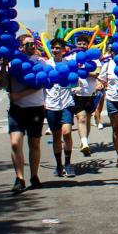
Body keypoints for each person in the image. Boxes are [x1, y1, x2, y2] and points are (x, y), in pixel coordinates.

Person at [0, 34, 46, 193]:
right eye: (28, 44)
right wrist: (4, 65)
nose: (32, 46)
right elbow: (3, 83)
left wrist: (20, 95)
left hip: (35, 108)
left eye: (33, 44)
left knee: (34, 144)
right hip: (17, 109)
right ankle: (19, 178)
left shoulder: (40, 62)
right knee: (15, 143)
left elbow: (40, 84)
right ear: (20, 47)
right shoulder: (13, 62)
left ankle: (34, 176)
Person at [44, 38, 77, 178]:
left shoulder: (68, 64)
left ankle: (68, 163)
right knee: (56, 136)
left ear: (63, 50)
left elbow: (75, 81)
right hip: (51, 105)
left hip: (66, 103)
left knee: (67, 132)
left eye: (58, 48)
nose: (55, 50)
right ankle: (59, 165)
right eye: (53, 48)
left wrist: (75, 86)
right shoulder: (46, 64)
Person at [69, 34, 102, 156]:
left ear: (88, 45)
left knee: (87, 118)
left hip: (91, 93)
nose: (82, 46)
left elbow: (97, 73)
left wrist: (86, 72)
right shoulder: (72, 57)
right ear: (76, 44)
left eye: (84, 44)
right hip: (77, 93)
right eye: (79, 44)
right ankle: (84, 143)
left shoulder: (94, 58)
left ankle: (85, 141)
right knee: (81, 118)